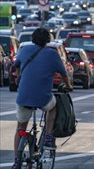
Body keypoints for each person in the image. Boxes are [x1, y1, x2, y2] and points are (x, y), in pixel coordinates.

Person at [12, 28, 73, 169]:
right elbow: (64, 74)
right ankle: (49, 136)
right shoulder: (52, 54)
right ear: (47, 40)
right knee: (53, 107)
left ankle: (16, 160)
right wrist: (69, 85)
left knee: (20, 129)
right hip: (43, 98)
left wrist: (17, 78)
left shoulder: (24, 50)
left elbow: (14, 67)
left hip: (23, 97)